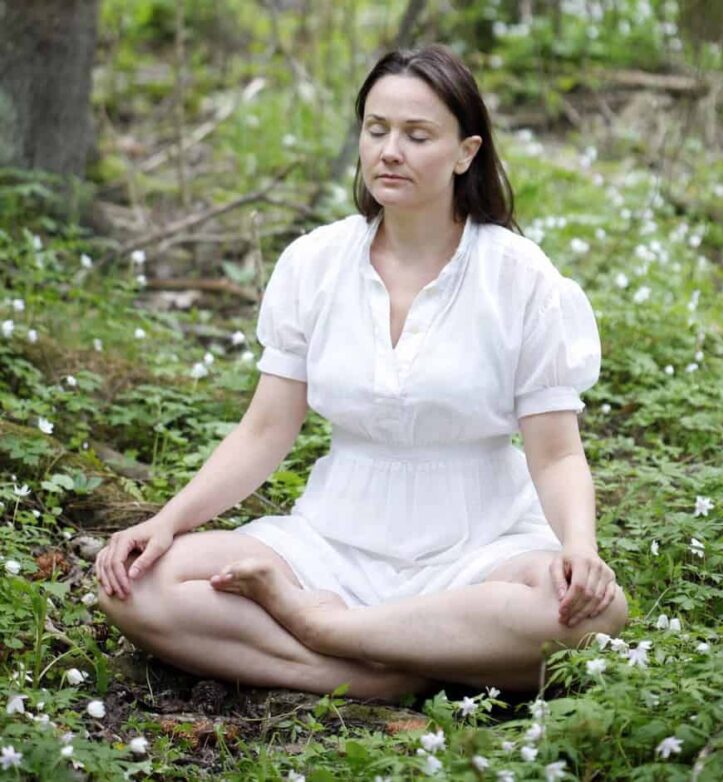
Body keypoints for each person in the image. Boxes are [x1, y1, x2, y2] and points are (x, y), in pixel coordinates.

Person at [97, 44, 628, 703]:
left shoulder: (520, 278)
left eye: (417, 135)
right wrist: (167, 521)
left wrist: (579, 545)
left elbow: (556, 455)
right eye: (376, 130)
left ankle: (324, 630)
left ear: (465, 153)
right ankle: (389, 671)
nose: (390, 152)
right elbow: (264, 431)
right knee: (136, 585)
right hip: (331, 540)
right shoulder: (314, 263)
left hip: (482, 542)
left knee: (597, 616)